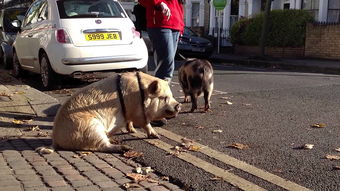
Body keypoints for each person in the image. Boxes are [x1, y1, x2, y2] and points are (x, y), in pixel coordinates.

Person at [138, 0, 184, 83]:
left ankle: (159, 92)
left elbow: (178, 4)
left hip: (175, 24)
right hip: (159, 24)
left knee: (167, 64)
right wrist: (160, 3)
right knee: (166, 65)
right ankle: (160, 93)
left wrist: (181, 27)